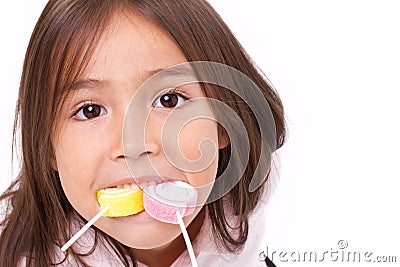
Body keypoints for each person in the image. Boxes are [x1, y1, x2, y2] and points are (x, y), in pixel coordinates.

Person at [0, 0, 285, 266]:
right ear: (49, 149)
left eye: (168, 100)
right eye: (90, 110)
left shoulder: (240, 213)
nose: (133, 145)